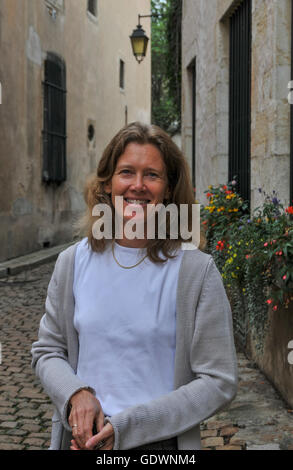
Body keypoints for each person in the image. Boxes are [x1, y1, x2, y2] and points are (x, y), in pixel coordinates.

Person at [31, 122, 238, 451]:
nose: (137, 185)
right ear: (109, 183)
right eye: (126, 172)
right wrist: (76, 394)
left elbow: (219, 381)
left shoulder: (196, 271)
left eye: (152, 175)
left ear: (168, 189)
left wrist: (127, 427)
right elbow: (48, 351)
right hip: (83, 442)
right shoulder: (72, 263)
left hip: (160, 447)